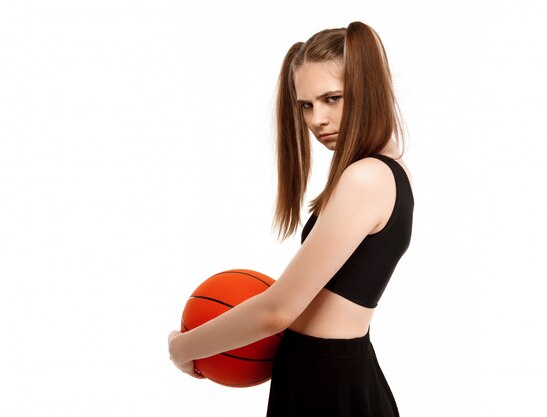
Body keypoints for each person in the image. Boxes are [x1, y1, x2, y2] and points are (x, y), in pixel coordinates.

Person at [168, 21, 414, 417]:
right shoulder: (387, 167)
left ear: (369, 90)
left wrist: (184, 348)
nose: (317, 119)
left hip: (327, 384)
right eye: (306, 104)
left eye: (333, 98)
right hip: (326, 374)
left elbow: (277, 310)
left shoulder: (366, 176)